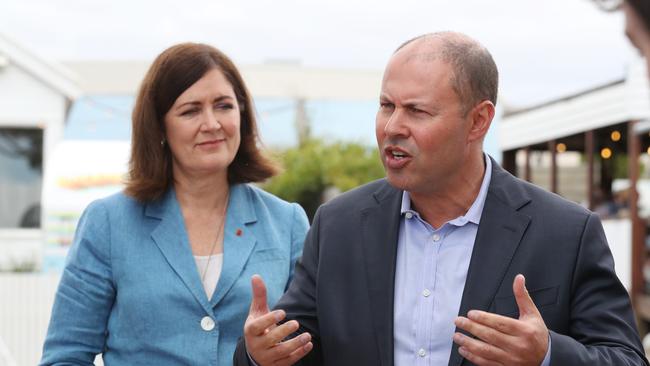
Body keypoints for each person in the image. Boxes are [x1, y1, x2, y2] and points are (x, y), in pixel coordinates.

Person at [234, 32, 649, 366]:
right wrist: (258, 354)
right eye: (385, 106)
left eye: (417, 111)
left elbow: (626, 358)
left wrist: (547, 356)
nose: (392, 127)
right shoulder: (337, 225)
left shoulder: (565, 232)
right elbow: (295, 348)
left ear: (478, 120)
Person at [40, 43, 309, 365]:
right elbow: (65, 356)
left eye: (223, 106)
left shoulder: (287, 222)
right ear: (159, 127)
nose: (211, 123)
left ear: (242, 113)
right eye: (190, 110)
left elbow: (314, 347)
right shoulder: (108, 222)